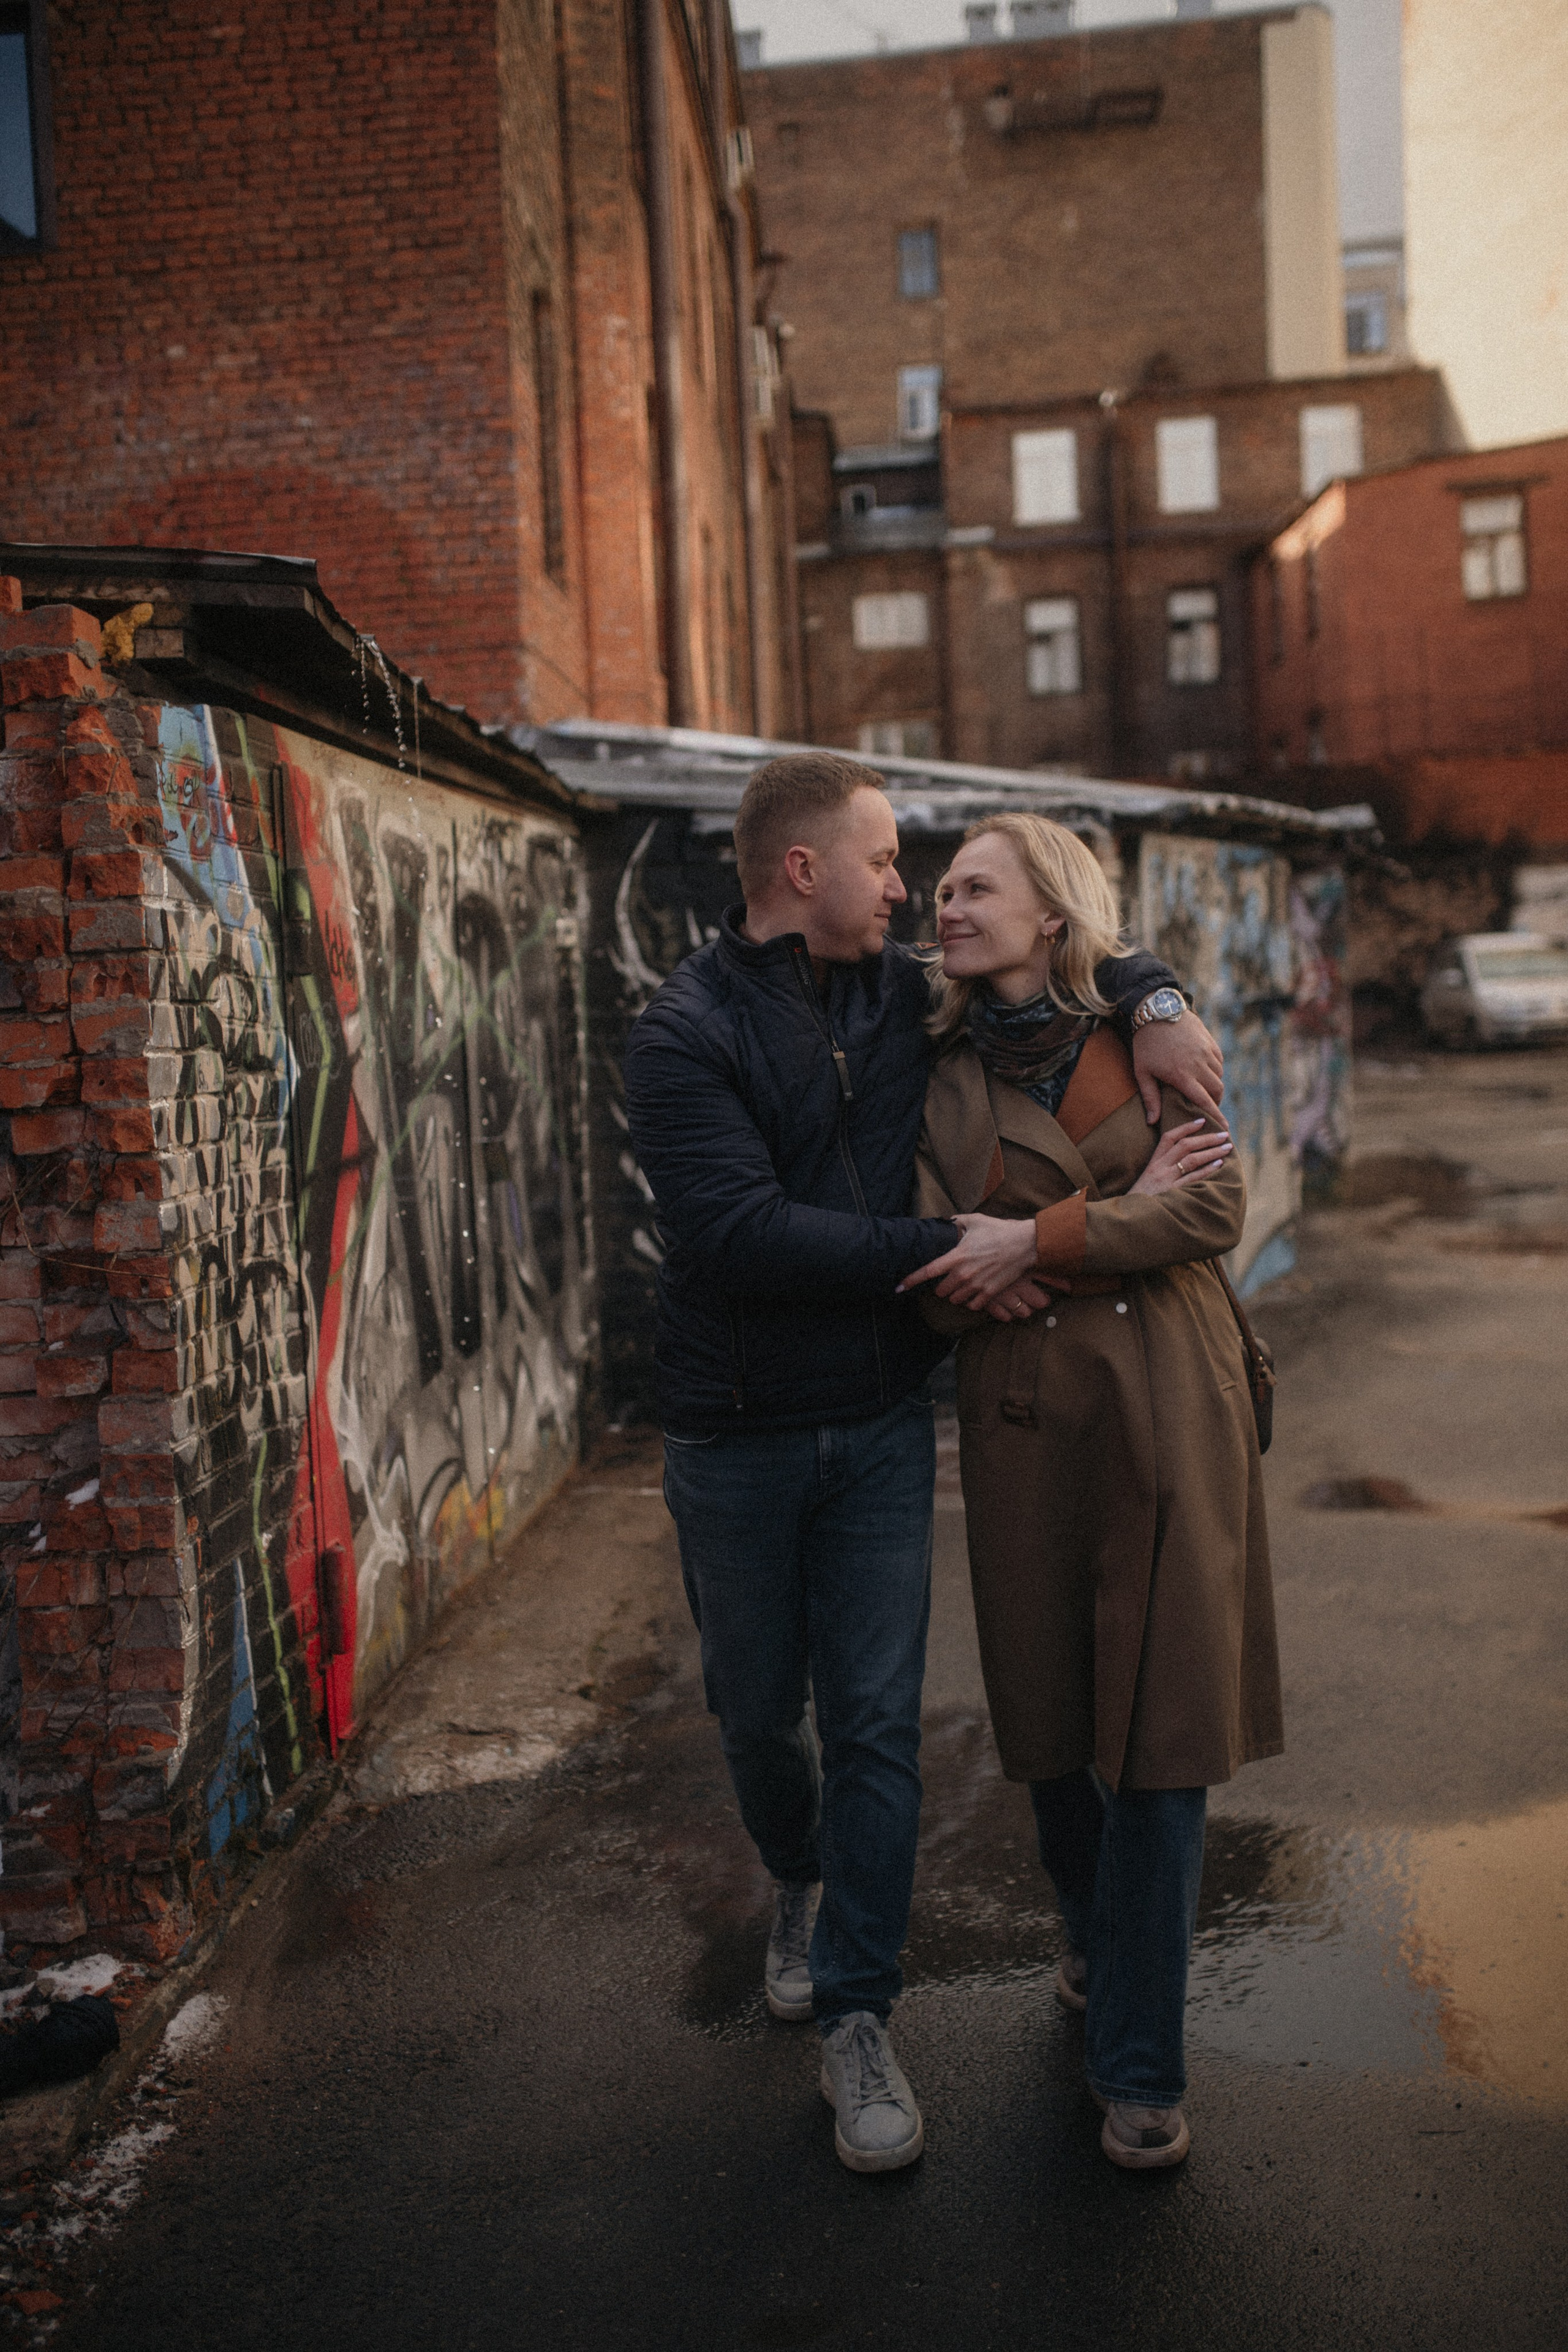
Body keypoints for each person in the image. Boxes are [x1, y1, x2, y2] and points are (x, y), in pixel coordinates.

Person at [622, 753, 1224, 2174]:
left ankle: (856, 2013)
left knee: (882, 1729)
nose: (909, 892)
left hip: (891, 1423)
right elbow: (735, 1232)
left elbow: (1065, 959)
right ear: (799, 872)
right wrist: (963, 1256)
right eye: (892, 864)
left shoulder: (902, 1000)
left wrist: (1153, 990)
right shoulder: (682, 1029)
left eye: (929, 875)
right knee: (764, 1716)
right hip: (737, 1427)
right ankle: (795, 1875)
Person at [899, 812, 1283, 2170]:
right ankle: (1084, 1927)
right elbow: (937, 1262)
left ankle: (1138, 2065)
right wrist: (1013, 1247)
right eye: (938, 889)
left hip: (1168, 1413)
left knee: (1159, 1743)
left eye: (974, 887)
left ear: (1051, 914)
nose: (944, 904)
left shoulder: (1148, 1038)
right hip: (1024, 1426)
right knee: (1054, 1731)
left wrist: (1032, 1239)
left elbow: (1211, 1209)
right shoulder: (930, 1066)